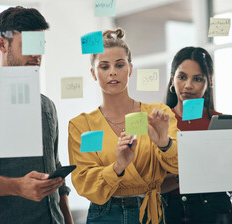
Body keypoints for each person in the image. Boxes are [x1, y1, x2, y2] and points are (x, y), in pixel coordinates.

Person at [0, 6, 74, 224]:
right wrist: (18, 186)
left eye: (40, 46)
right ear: (2, 44)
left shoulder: (47, 105)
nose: (37, 54)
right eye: (29, 45)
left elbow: (54, 168)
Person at [68, 28, 178, 224]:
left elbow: (181, 164)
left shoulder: (157, 115)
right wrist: (118, 166)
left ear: (130, 69)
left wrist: (164, 143)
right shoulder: (81, 125)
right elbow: (84, 181)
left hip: (150, 213)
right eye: (104, 66)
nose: (112, 72)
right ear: (93, 73)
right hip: (104, 215)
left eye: (120, 65)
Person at [161, 46, 232, 224]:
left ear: (209, 82)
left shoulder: (223, 123)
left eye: (198, 79)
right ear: (172, 80)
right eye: (182, 77)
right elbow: (155, 184)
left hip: (217, 211)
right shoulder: (161, 122)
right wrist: (198, 171)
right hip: (174, 212)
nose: (188, 85)